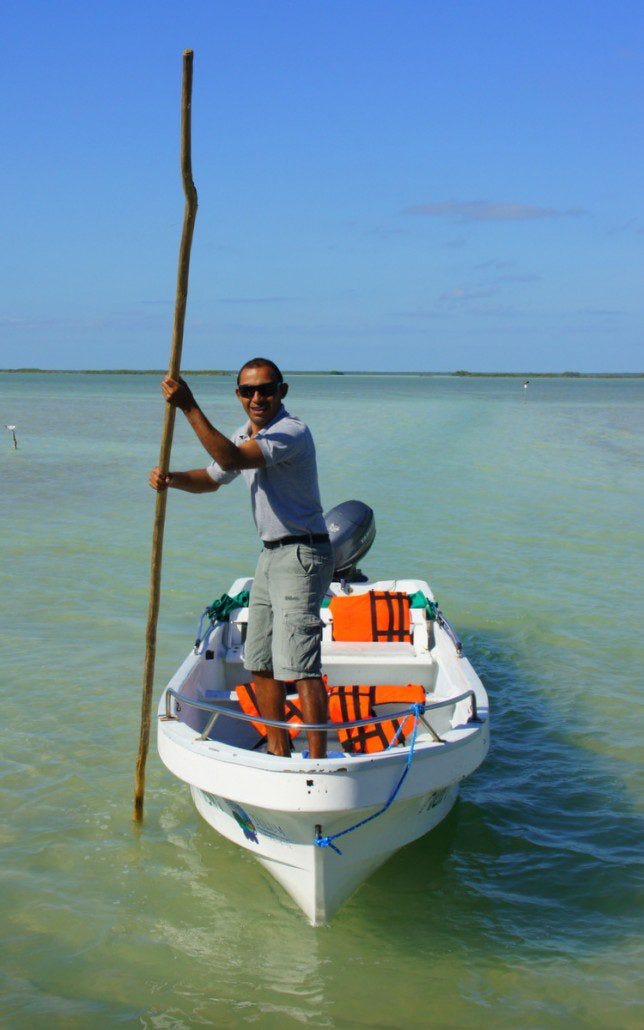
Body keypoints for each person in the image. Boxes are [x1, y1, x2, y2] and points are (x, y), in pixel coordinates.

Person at [149, 358, 334, 758]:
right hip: (270, 554)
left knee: (299, 664)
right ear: (238, 395)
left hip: (303, 552)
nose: (257, 397)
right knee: (259, 661)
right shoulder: (243, 435)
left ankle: (318, 762)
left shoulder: (291, 432)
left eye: (265, 389)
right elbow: (215, 477)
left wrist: (188, 405)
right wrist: (172, 479)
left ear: (281, 392)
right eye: (248, 391)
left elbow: (232, 459)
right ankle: (278, 749)